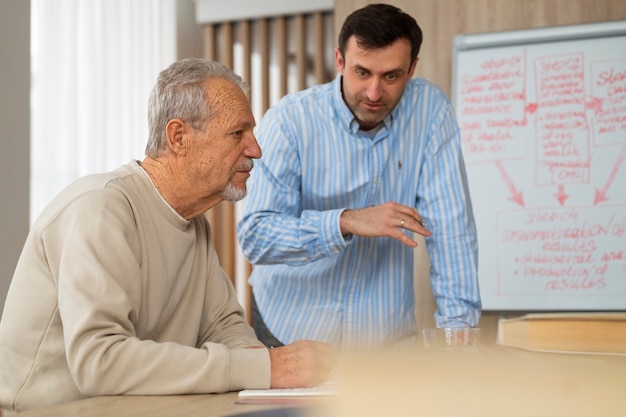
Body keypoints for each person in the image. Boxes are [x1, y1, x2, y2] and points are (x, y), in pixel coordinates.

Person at [0, 58, 335, 414]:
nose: (255, 150)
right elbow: (100, 362)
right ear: (179, 137)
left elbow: (223, 325)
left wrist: (268, 365)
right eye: (238, 133)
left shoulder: (193, 222)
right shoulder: (100, 208)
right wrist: (265, 367)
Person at [237, 3, 481, 351]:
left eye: (391, 76)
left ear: (411, 69)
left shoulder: (430, 113)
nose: (373, 93)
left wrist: (459, 332)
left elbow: (452, 229)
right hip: (291, 325)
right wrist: (346, 222)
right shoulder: (290, 121)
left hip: (384, 335)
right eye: (362, 72)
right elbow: (256, 237)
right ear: (340, 61)